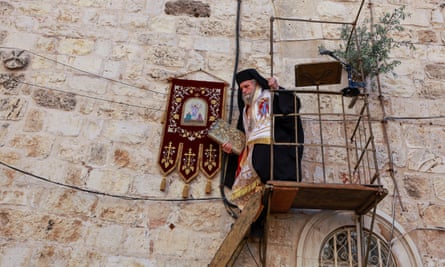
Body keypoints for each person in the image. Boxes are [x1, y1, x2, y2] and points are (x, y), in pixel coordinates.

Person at [222, 68, 304, 212]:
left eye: (247, 86)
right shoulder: (245, 111)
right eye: (241, 89)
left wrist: (277, 89)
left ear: (257, 84)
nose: (244, 91)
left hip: (273, 154)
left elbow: (292, 108)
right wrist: (231, 148)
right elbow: (243, 138)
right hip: (251, 155)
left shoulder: (270, 96)